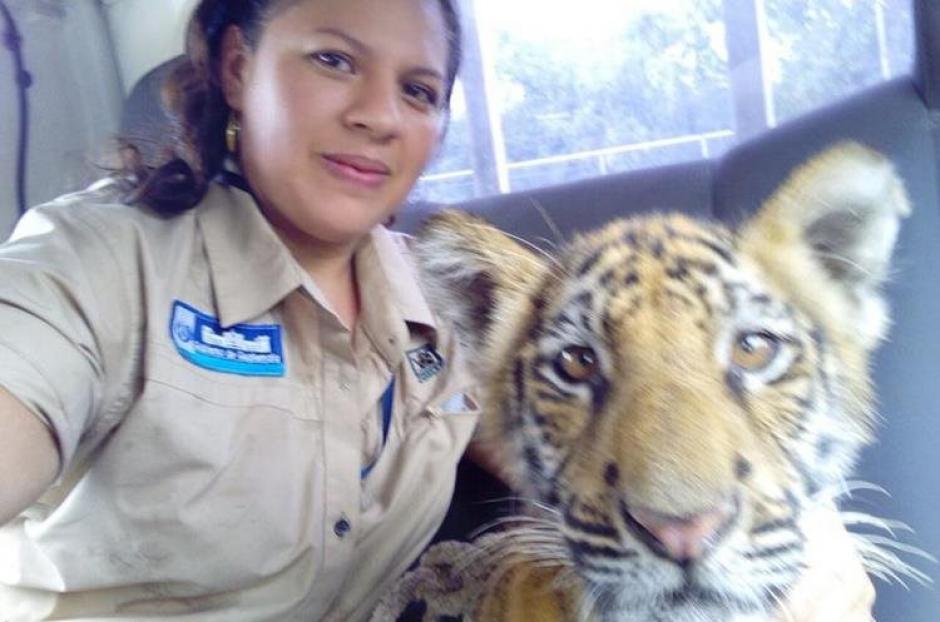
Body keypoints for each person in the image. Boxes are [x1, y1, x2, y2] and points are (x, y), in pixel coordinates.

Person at [0, 0, 873, 620]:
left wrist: (792, 534)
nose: (379, 115)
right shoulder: (97, 260)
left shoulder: (439, 292)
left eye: (419, 90)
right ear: (237, 67)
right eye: (334, 59)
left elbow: (568, 446)